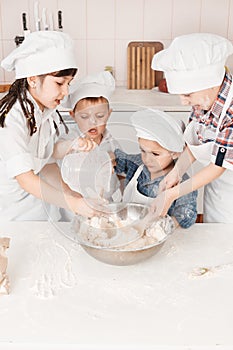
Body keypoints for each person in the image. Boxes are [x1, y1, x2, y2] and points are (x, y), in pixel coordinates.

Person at [0, 30, 96, 221]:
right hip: (12, 214)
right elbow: (26, 178)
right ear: (33, 79)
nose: (66, 92)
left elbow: (46, 163)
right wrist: (71, 203)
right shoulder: (12, 119)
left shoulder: (44, 112)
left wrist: (71, 195)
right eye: (60, 83)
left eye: (69, 83)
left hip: (35, 205)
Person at [151, 33, 233, 223]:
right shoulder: (204, 101)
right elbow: (196, 143)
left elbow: (219, 166)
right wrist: (175, 174)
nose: (183, 101)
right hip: (218, 191)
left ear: (210, 83)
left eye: (187, 94)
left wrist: (171, 195)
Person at [113, 109, 198, 229]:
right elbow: (116, 159)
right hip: (125, 228)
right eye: (143, 150)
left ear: (175, 153)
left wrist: (155, 229)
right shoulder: (137, 164)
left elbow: (185, 217)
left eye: (155, 154)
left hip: (158, 235)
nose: (147, 159)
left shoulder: (183, 184)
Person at [53, 71, 122, 204]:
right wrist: (73, 144)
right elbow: (55, 151)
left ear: (109, 114)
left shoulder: (110, 141)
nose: (93, 122)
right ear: (73, 114)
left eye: (100, 116)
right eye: (84, 117)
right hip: (76, 202)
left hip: (105, 201)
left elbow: (120, 171)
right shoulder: (71, 137)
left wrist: (113, 159)